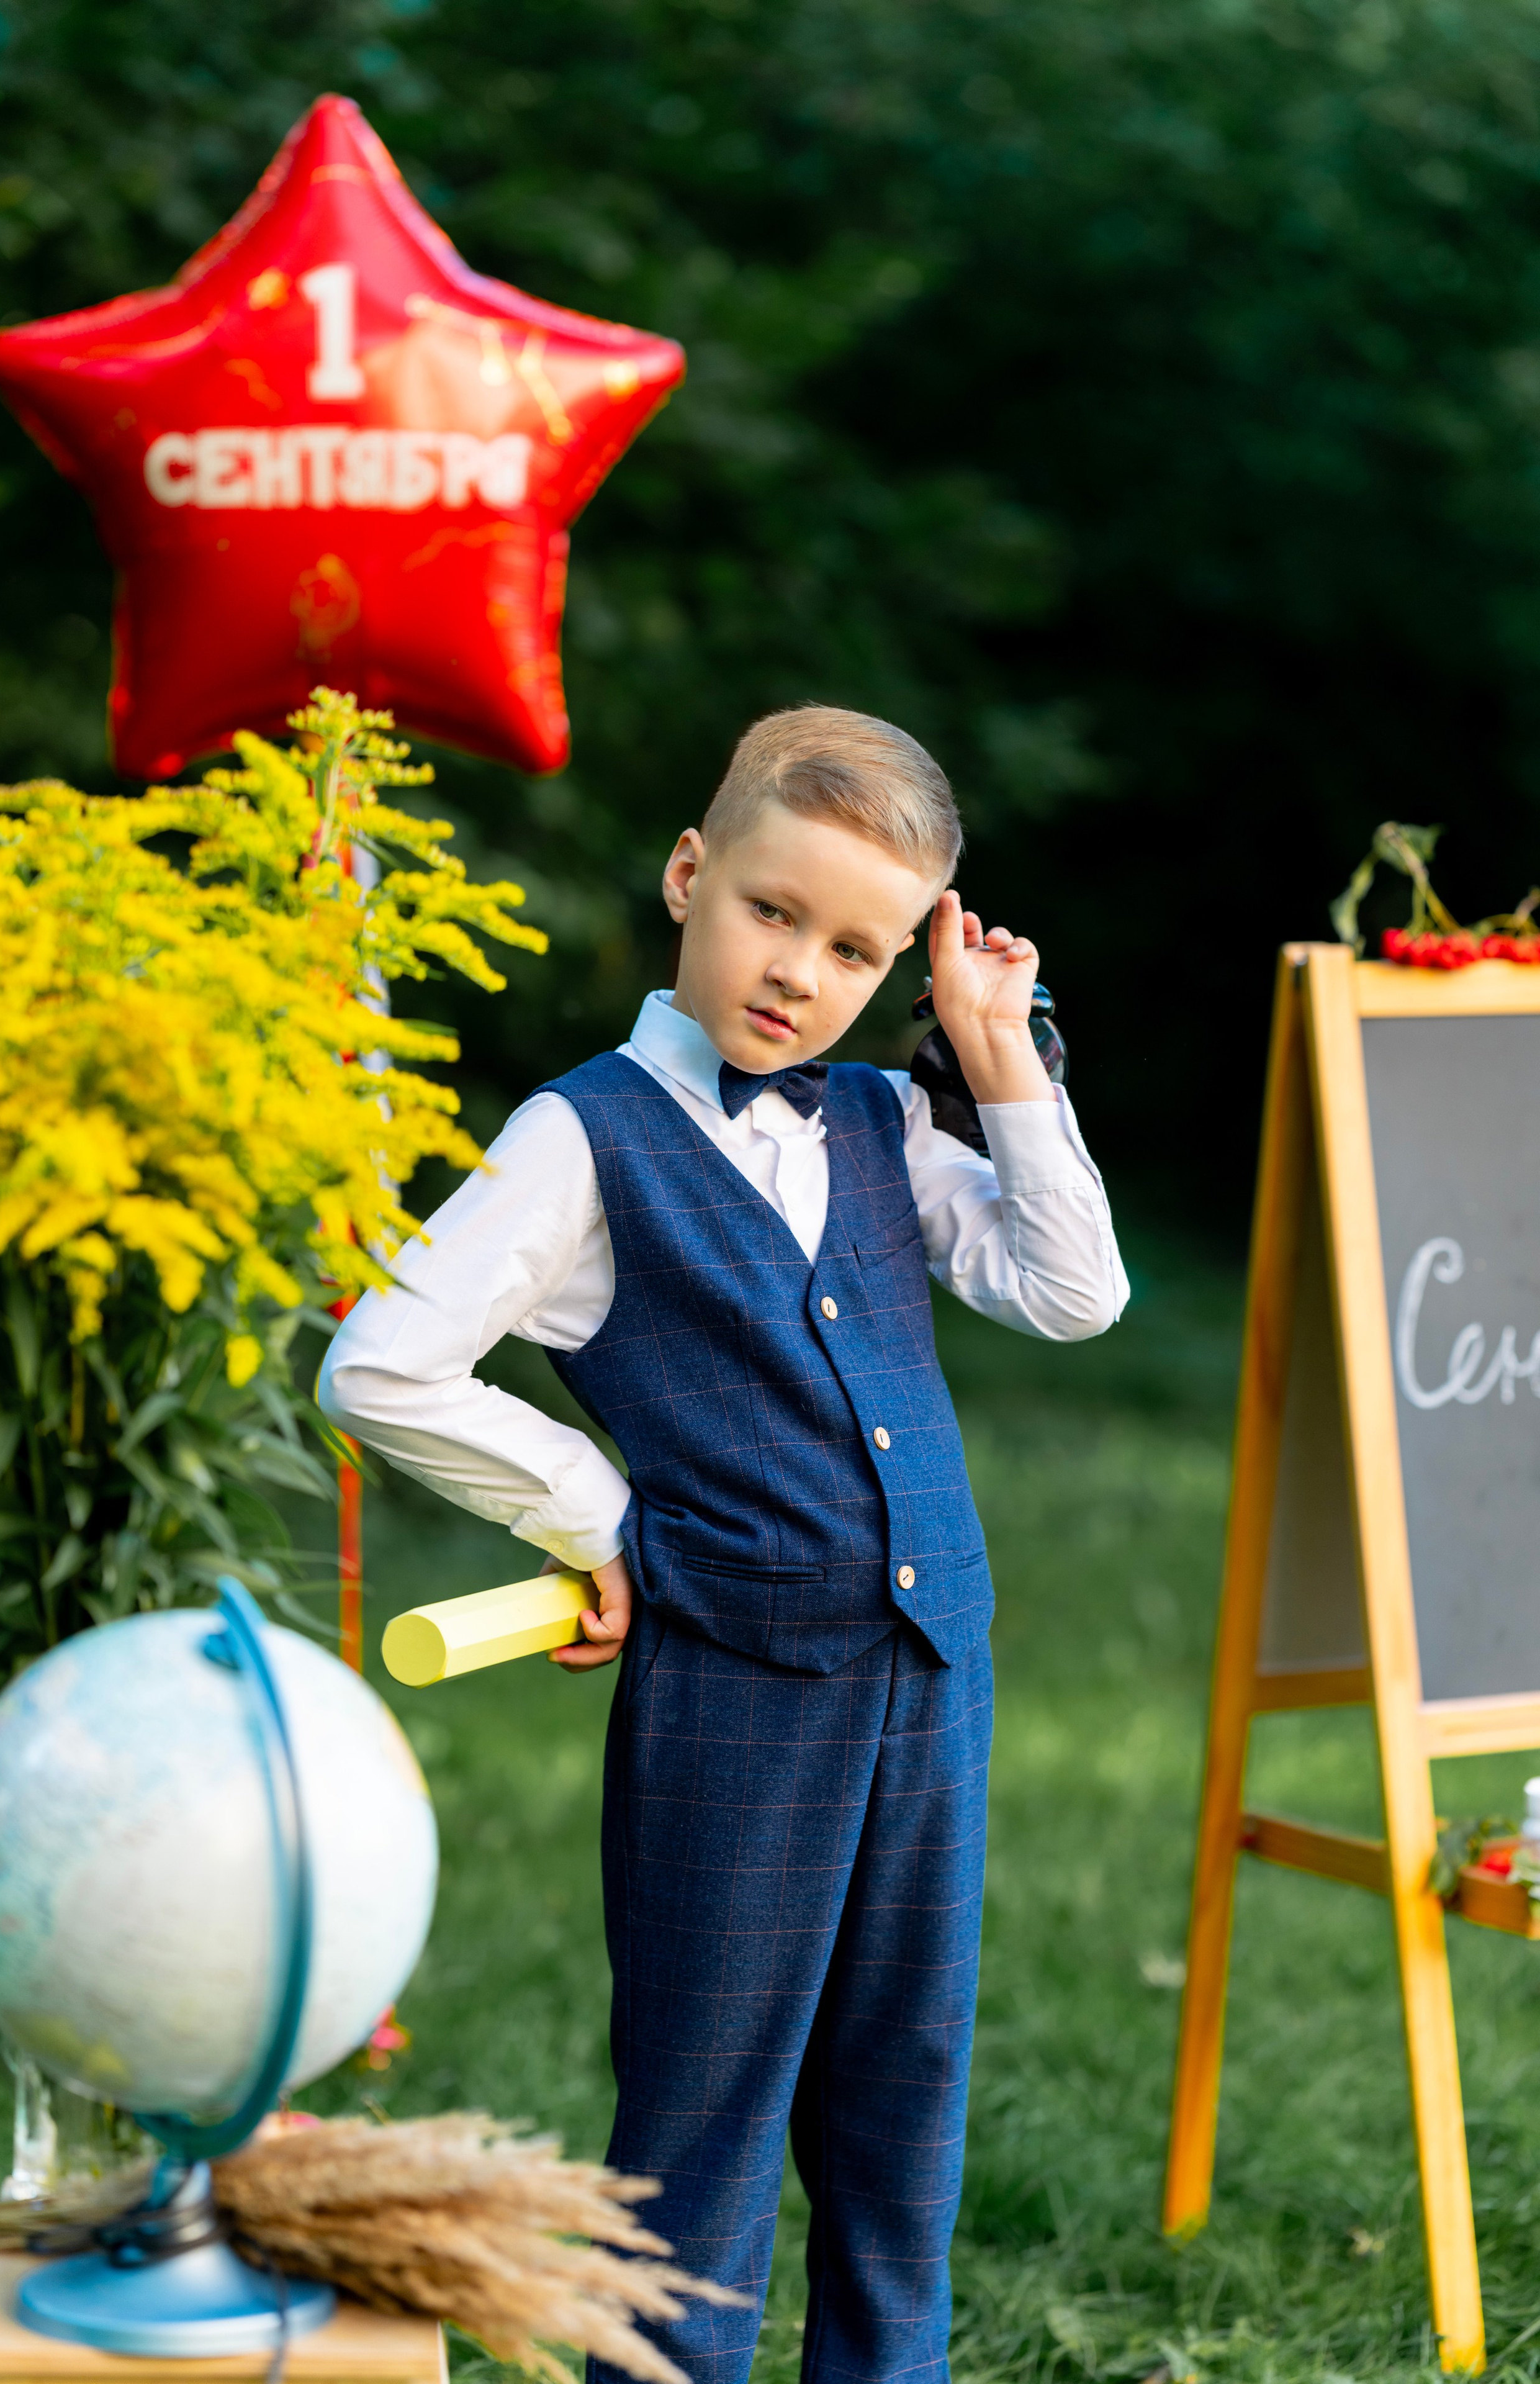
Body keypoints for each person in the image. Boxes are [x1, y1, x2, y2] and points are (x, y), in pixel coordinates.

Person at [319, 705, 1128, 2384]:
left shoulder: (882, 1126)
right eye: (772, 912)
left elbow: (1075, 1292)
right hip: (738, 1699)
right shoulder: (584, 1140)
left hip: (934, 1685)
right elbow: (381, 1364)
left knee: (903, 2113)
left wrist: (997, 1057)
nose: (798, 973)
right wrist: (596, 1509)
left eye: (854, 948)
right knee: (704, 2126)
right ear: (692, 875)